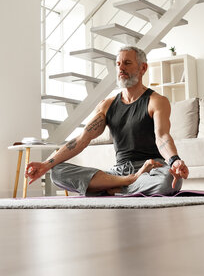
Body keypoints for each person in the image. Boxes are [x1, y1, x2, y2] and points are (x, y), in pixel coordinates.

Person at [25, 46, 189, 196]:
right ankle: (127, 183)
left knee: (170, 181)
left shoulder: (156, 100)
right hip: (119, 173)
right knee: (57, 172)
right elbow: (82, 139)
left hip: (151, 168)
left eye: (127, 63)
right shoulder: (107, 105)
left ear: (143, 68)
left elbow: (162, 136)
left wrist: (174, 160)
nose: (121, 68)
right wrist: (46, 164)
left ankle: (111, 188)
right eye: (118, 64)